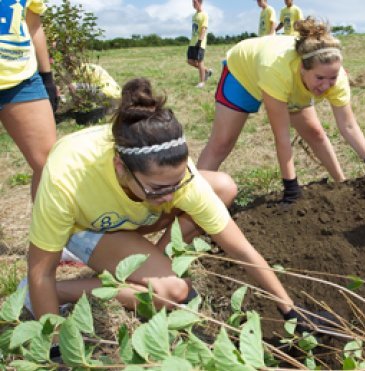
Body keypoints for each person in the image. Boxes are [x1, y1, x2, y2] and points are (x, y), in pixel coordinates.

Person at [23, 78, 316, 329]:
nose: (170, 197)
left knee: (222, 187)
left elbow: (239, 248)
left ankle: (152, 256)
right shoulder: (66, 177)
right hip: (88, 225)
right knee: (170, 293)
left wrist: (289, 309)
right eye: (158, 188)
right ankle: (57, 293)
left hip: (132, 214)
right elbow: (40, 270)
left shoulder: (177, 176)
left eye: (177, 184)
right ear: (120, 168)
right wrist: (55, 344)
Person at [198, 17, 365, 203]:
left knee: (315, 132)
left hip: (288, 82)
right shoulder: (277, 71)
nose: (326, 85)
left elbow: (348, 125)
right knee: (222, 143)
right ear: (302, 68)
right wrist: (291, 187)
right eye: (320, 78)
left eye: (332, 78)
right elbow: (282, 136)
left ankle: (341, 182)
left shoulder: (335, 76)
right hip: (243, 73)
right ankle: (191, 199)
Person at [0, 0, 57, 200]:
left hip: (22, 78)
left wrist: (46, 77)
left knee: (49, 163)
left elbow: (33, 26)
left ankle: (44, 231)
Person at [187, 0, 212, 88]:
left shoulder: (204, 15)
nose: (194, 4)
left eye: (195, 2)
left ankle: (202, 82)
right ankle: (207, 71)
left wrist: (200, 41)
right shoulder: (194, 15)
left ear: (200, 3)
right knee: (190, 61)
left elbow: (204, 29)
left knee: (200, 62)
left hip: (199, 42)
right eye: (193, 3)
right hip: (192, 42)